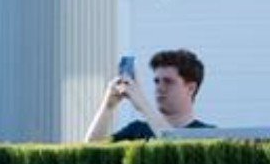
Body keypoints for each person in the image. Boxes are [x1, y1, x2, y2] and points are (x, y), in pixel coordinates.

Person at [85, 48, 213, 142]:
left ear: (190, 88)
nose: (159, 88)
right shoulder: (136, 131)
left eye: (168, 82)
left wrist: (142, 103)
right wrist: (108, 106)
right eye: (156, 81)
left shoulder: (209, 135)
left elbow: (176, 146)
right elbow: (89, 153)